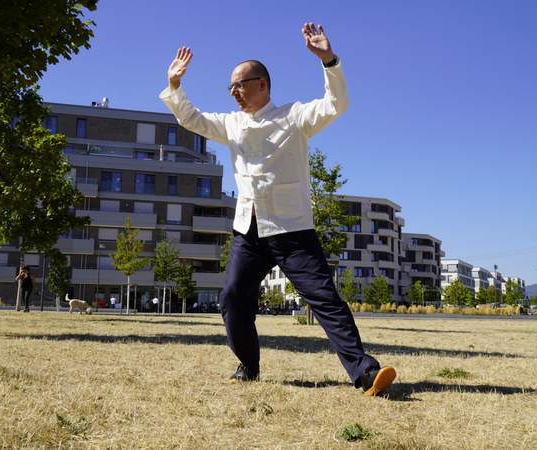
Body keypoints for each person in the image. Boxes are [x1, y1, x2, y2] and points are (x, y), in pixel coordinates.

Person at [159, 23, 395, 396]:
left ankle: (365, 372)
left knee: (325, 300)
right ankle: (249, 365)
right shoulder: (231, 123)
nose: (234, 91)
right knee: (233, 298)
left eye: (239, 84)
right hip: (248, 232)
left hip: (292, 230)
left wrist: (329, 61)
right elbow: (193, 120)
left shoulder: (294, 117)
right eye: (230, 87)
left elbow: (337, 104)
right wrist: (175, 86)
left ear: (262, 84)